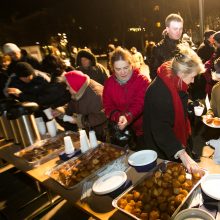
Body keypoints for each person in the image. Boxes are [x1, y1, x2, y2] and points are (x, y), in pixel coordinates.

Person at [143, 44, 205, 174]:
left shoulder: (174, 79)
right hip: (161, 147)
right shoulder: (159, 91)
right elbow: (160, 128)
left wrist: (190, 105)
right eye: (192, 76)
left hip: (171, 140)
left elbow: (177, 101)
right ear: (182, 73)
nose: (193, 81)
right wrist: (182, 154)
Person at [103, 46, 150, 150]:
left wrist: (128, 116)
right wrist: (118, 117)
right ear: (112, 68)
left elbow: (140, 103)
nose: (123, 72)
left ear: (131, 65)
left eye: (126, 68)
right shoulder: (109, 83)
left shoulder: (142, 80)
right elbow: (107, 106)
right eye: (118, 69)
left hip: (144, 129)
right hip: (122, 132)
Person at [52, 70, 107, 140]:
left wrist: (79, 120)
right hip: (91, 131)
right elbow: (73, 104)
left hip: (103, 133)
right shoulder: (79, 90)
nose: (66, 88)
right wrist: (62, 109)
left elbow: (101, 116)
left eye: (68, 86)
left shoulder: (96, 96)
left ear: (75, 85)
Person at [149, 13, 183, 80]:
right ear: (167, 29)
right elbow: (154, 75)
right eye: (175, 29)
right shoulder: (158, 49)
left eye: (180, 29)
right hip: (167, 89)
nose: (178, 32)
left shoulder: (185, 46)